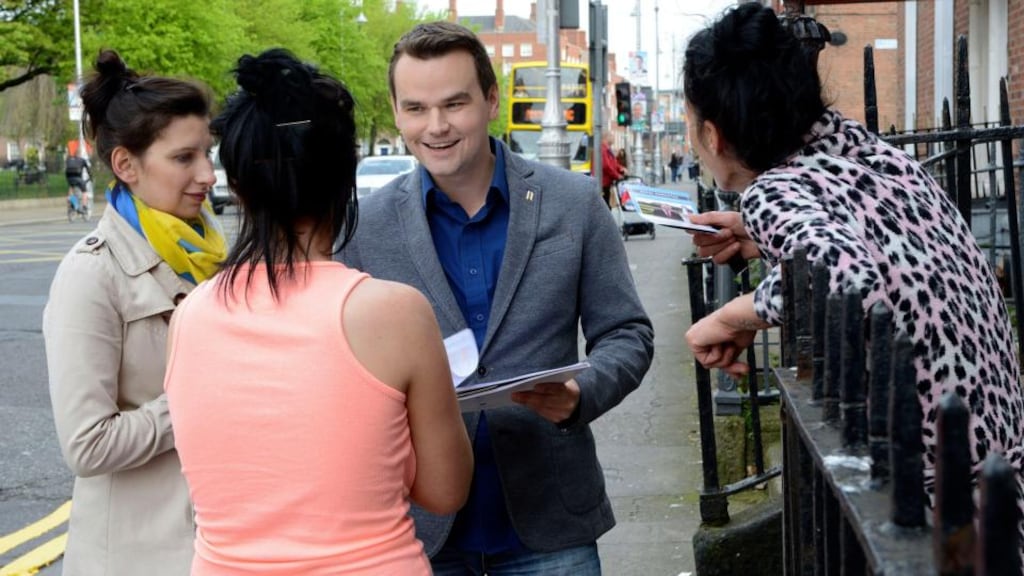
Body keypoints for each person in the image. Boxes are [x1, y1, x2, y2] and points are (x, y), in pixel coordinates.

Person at [682, 1, 1024, 544]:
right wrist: (757, 237)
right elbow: (878, 243)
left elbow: (840, 278)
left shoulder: (772, 192)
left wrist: (733, 315)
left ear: (714, 134)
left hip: (932, 511)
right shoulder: (872, 156)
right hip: (1002, 479)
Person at [338, 20, 654, 575]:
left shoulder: (574, 203)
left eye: (454, 105)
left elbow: (627, 332)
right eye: (415, 108)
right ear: (394, 112)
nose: (435, 127)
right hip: (417, 531)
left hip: (552, 526)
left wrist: (582, 391)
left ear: (490, 100)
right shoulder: (365, 226)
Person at [162, 48, 472, 575]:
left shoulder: (191, 315)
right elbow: (444, 490)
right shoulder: (393, 313)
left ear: (236, 185)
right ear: (342, 179)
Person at [42, 49, 224, 575]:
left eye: (207, 154)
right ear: (126, 164)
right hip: (136, 558)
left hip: (218, 544)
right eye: (184, 158)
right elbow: (87, 445)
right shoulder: (91, 276)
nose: (209, 175)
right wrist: (201, 395)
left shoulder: (211, 252)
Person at [600, 132, 625, 208]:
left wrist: (620, 168)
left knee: (607, 204)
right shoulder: (603, 149)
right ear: (607, 137)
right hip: (603, 183)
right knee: (605, 205)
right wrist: (617, 176)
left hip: (606, 182)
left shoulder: (607, 149)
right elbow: (606, 166)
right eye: (612, 136)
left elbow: (613, 163)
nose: (614, 139)